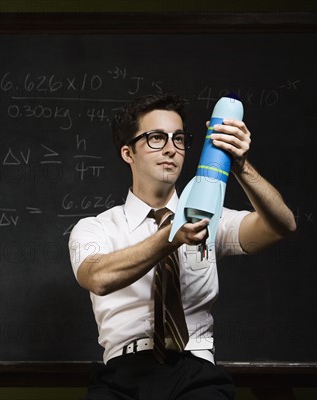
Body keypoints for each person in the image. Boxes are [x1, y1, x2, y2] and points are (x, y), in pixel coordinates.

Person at [68, 93, 296, 399]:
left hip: (196, 370)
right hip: (123, 373)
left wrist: (240, 165)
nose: (171, 149)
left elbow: (282, 225)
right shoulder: (96, 227)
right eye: (156, 138)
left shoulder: (209, 217)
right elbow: (98, 278)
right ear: (127, 153)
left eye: (179, 139)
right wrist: (170, 237)